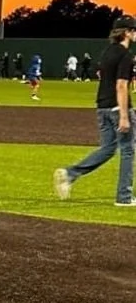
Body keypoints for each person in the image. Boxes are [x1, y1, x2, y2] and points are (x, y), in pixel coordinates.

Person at [54, 16, 136, 207]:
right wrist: (124, 115)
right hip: (117, 107)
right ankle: (124, 197)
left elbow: (102, 75)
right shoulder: (125, 55)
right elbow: (122, 85)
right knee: (128, 150)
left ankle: (70, 173)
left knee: (108, 148)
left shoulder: (107, 52)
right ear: (126, 32)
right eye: (133, 30)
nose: (134, 33)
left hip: (102, 106)